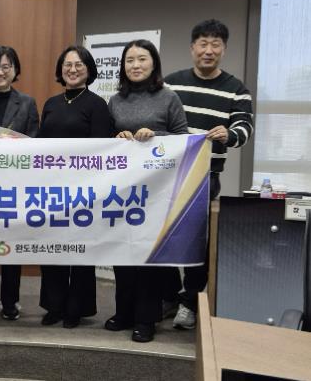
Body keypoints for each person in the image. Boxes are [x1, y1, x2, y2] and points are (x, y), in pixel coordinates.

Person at [164, 19, 254, 330]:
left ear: (223, 50)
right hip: (167, 175)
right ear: (192, 48)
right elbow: (160, 120)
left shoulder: (236, 89)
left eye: (215, 45)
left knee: (196, 241)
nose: (208, 50)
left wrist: (230, 134)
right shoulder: (171, 84)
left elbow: (244, 128)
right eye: (203, 44)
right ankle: (168, 295)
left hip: (205, 177)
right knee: (161, 236)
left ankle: (189, 302)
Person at [106, 39, 188, 343]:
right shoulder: (116, 100)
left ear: (153, 63)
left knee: (148, 254)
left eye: (142, 59)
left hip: (156, 190)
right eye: (129, 60)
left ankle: (146, 319)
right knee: (122, 251)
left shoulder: (168, 97)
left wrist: (156, 136)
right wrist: (117, 137)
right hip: (123, 187)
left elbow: (182, 138)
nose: (135, 65)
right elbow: (105, 141)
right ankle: (124, 312)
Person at [37, 45, 112, 328]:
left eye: (79, 64)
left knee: (80, 251)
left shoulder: (97, 105)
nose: (72, 69)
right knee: (51, 249)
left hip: (83, 191)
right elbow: (40, 147)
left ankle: (75, 309)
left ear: (89, 69)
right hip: (51, 189)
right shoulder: (51, 103)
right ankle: (54, 306)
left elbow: (101, 152)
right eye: (67, 64)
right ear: (60, 70)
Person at [0, 45, 39, 321]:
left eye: (6, 66)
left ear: (15, 70)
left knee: (13, 245)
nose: (0, 72)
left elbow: (35, 142)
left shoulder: (27, 103)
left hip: (16, 185)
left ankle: (11, 301)